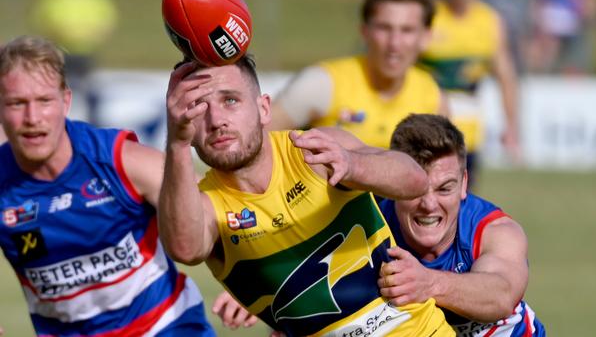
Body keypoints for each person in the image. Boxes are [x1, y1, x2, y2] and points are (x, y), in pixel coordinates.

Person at [158, 55, 454, 336]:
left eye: (230, 100)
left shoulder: (313, 149)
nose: (216, 120)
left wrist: (352, 165)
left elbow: (414, 179)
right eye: (197, 108)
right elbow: (185, 249)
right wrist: (177, 146)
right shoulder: (205, 204)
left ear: (263, 109)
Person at [0, 36, 214, 336]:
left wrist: (249, 287)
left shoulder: (119, 161)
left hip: (165, 327)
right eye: (17, 103)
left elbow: (218, 207)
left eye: (44, 101)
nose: (32, 118)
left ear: (66, 101)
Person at [378, 113, 545, 336]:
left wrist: (427, 283)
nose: (429, 205)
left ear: (464, 182)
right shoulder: (372, 225)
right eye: (415, 190)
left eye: (444, 188)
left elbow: (502, 295)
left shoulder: (493, 231)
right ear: (393, 184)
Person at [269, 0, 447, 149]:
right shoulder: (322, 83)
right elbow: (256, 142)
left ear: (426, 37)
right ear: (364, 31)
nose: (394, 43)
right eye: (384, 28)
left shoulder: (432, 99)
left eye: (407, 30)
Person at [419, 0, 520, 188]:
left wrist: (511, 127)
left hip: (466, 132)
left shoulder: (490, 22)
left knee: (461, 199)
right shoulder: (428, 16)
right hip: (425, 127)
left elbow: (506, 77)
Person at [31, 0, 118, 125]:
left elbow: (107, 19)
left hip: (85, 51)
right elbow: (43, 19)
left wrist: (95, 35)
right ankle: (56, 121)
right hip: (61, 51)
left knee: (89, 89)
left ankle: (95, 123)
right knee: (58, 88)